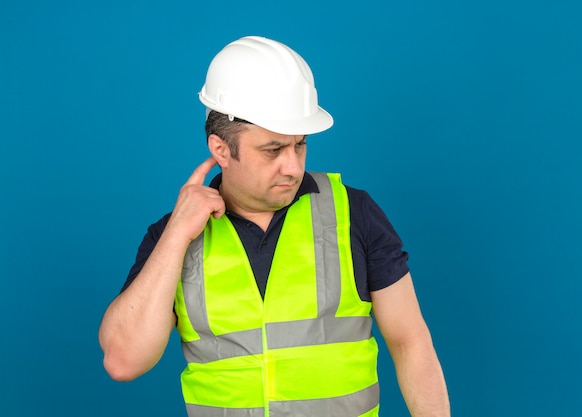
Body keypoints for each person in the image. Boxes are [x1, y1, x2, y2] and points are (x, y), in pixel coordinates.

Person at [98, 35, 450, 417]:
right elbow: (123, 361)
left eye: (299, 145)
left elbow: (410, 343)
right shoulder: (172, 237)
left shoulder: (354, 213)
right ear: (220, 150)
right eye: (273, 150)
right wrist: (177, 235)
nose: (293, 166)